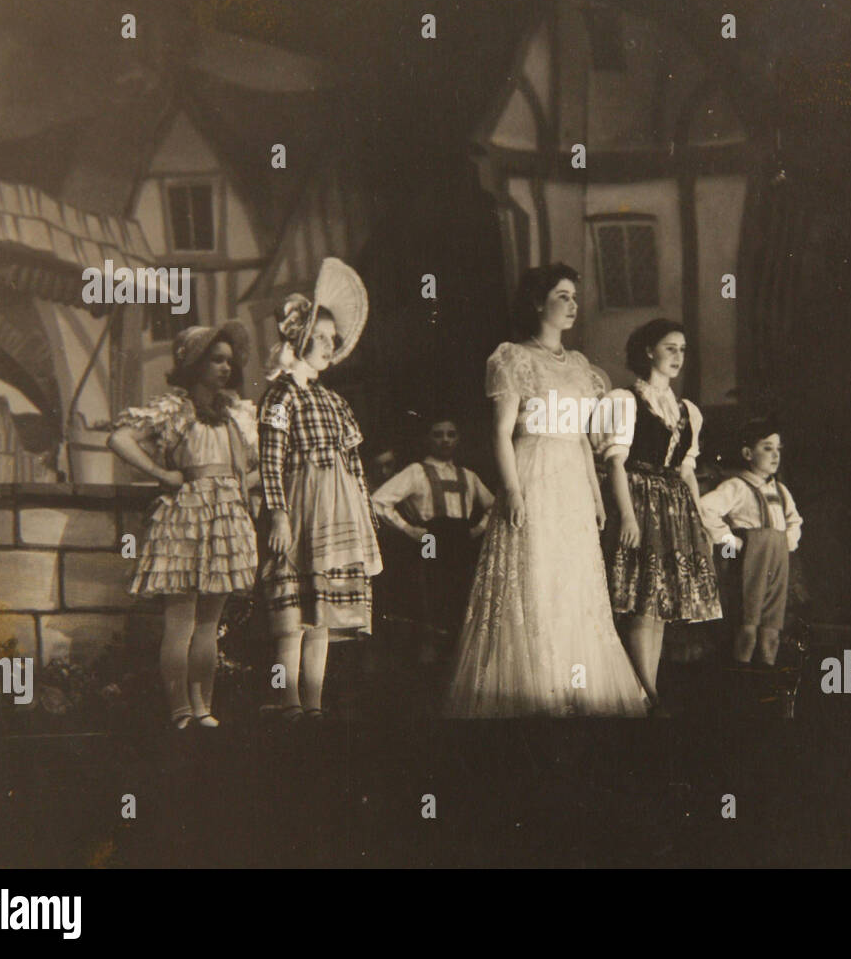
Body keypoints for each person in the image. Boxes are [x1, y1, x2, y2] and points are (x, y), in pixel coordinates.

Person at [444, 263, 649, 717]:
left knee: (575, 583)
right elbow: (501, 434)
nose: (572, 305)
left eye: (575, 297)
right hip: (533, 472)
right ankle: (541, 689)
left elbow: (580, 437)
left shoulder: (580, 368)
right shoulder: (513, 359)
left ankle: (575, 687)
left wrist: (597, 497)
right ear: (539, 302)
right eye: (562, 296)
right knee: (535, 578)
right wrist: (512, 492)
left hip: (573, 483)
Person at [107, 322, 259, 729]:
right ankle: (179, 709)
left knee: (211, 621)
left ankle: (203, 705)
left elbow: (253, 467)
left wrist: (238, 488)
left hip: (225, 517)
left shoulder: (235, 415)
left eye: (229, 361)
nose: (225, 368)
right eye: (216, 360)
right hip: (187, 517)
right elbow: (120, 439)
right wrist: (161, 472)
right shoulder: (176, 407)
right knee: (181, 618)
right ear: (195, 364)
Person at [258, 258, 381, 723]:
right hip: (302, 503)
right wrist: (278, 515)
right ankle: (288, 700)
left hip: (338, 508)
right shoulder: (282, 395)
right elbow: (271, 459)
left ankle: (313, 703)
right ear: (300, 340)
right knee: (292, 617)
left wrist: (365, 515)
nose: (331, 346)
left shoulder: (335, 402)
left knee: (321, 617)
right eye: (322, 338)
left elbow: (354, 464)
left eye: (333, 339)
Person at [594, 319, 721, 713]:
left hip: (673, 507)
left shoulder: (688, 411)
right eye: (670, 348)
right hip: (638, 501)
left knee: (659, 604)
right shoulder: (624, 400)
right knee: (639, 599)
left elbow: (686, 469)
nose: (678, 357)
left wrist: (698, 514)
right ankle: (643, 690)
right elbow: (616, 464)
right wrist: (628, 518)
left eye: (683, 349)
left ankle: (648, 691)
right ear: (649, 351)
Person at [372, 414, 494, 649]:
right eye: (438, 435)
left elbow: (494, 506)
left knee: (462, 596)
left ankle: (456, 654)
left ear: (458, 439)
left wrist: (478, 528)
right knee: (430, 593)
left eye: (451, 435)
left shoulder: (468, 475)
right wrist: (408, 529)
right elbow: (377, 501)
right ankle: (430, 656)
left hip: (461, 540)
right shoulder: (416, 472)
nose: (445, 440)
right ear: (427, 439)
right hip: (430, 540)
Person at [699, 421, 802, 667]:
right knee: (747, 630)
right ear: (747, 454)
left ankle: (764, 689)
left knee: (772, 632)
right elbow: (704, 509)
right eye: (767, 448)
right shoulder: (737, 486)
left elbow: (794, 521)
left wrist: (785, 542)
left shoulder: (781, 490)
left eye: (778, 448)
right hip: (750, 560)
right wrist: (731, 542)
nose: (775, 454)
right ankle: (739, 686)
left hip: (777, 560)